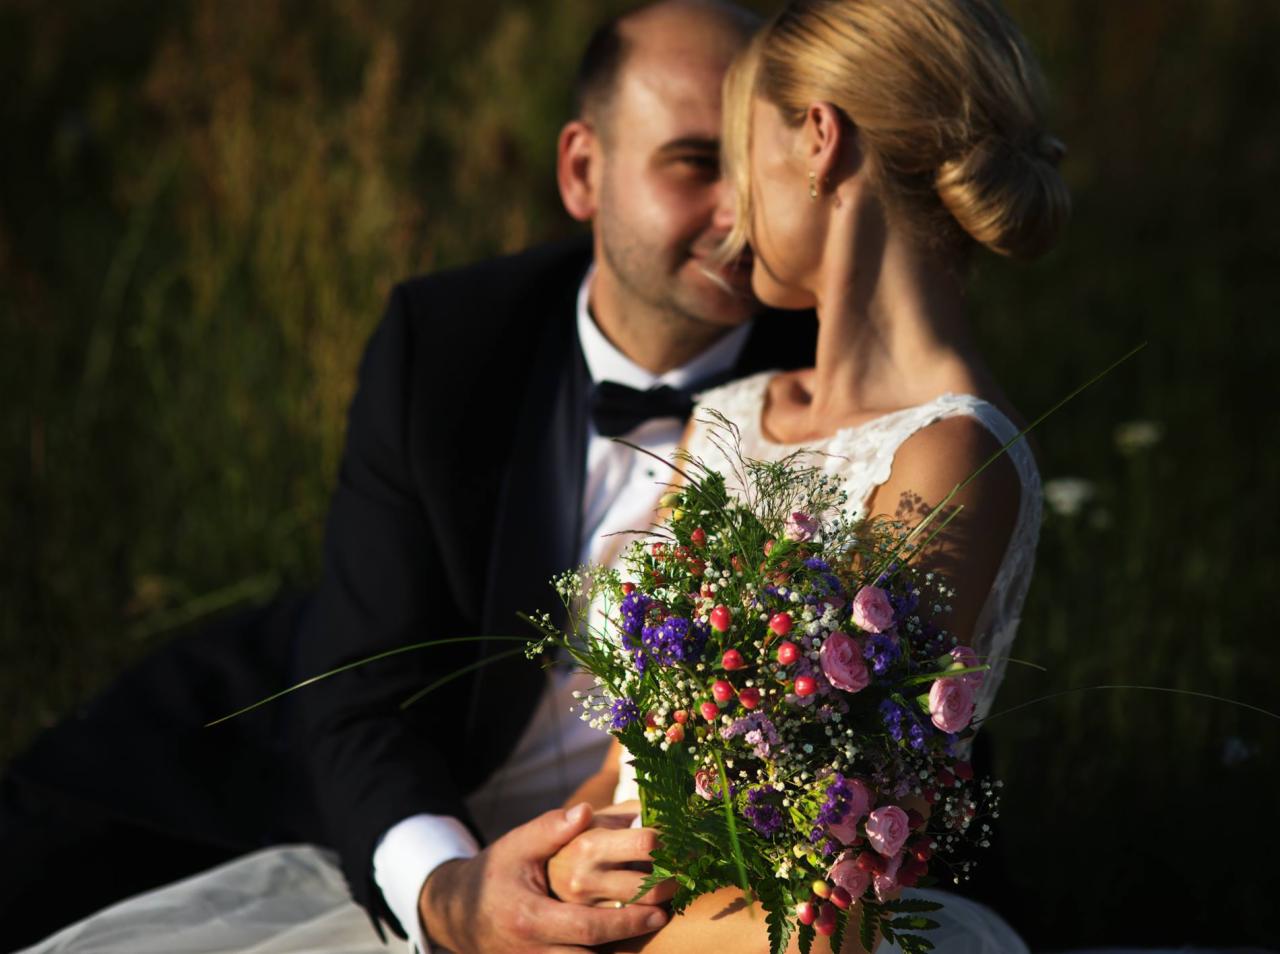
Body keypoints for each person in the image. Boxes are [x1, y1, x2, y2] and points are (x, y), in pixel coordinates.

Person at [0, 2, 817, 952]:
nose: (738, 213)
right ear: (582, 171)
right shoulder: (450, 345)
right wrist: (446, 895)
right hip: (317, 799)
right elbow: (354, 690)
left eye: (759, 168)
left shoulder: (837, 386)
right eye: (693, 162)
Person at [542, 0, 1069, 950]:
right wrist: (569, 858)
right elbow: (632, 751)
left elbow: (829, 861)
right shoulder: (730, 416)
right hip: (636, 906)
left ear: (819, 141)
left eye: (740, 162)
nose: (732, 213)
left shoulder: (950, 455)